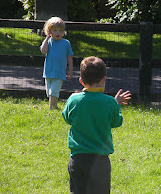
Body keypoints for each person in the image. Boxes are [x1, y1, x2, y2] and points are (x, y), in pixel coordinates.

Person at [62, 56, 131, 194]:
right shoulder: (109, 102)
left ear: (81, 80)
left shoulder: (74, 99)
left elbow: (67, 118)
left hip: (78, 158)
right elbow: (116, 122)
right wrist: (116, 104)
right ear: (104, 79)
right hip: (100, 160)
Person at [40, 17, 74, 109]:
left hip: (59, 72)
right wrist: (47, 38)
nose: (58, 33)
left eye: (60, 30)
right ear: (49, 31)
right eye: (55, 30)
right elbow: (43, 51)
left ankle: (52, 108)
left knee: (54, 91)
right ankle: (54, 106)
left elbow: (69, 57)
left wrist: (70, 70)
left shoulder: (66, 43)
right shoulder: (49, 42)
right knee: (49, 92)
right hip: (48, 71)